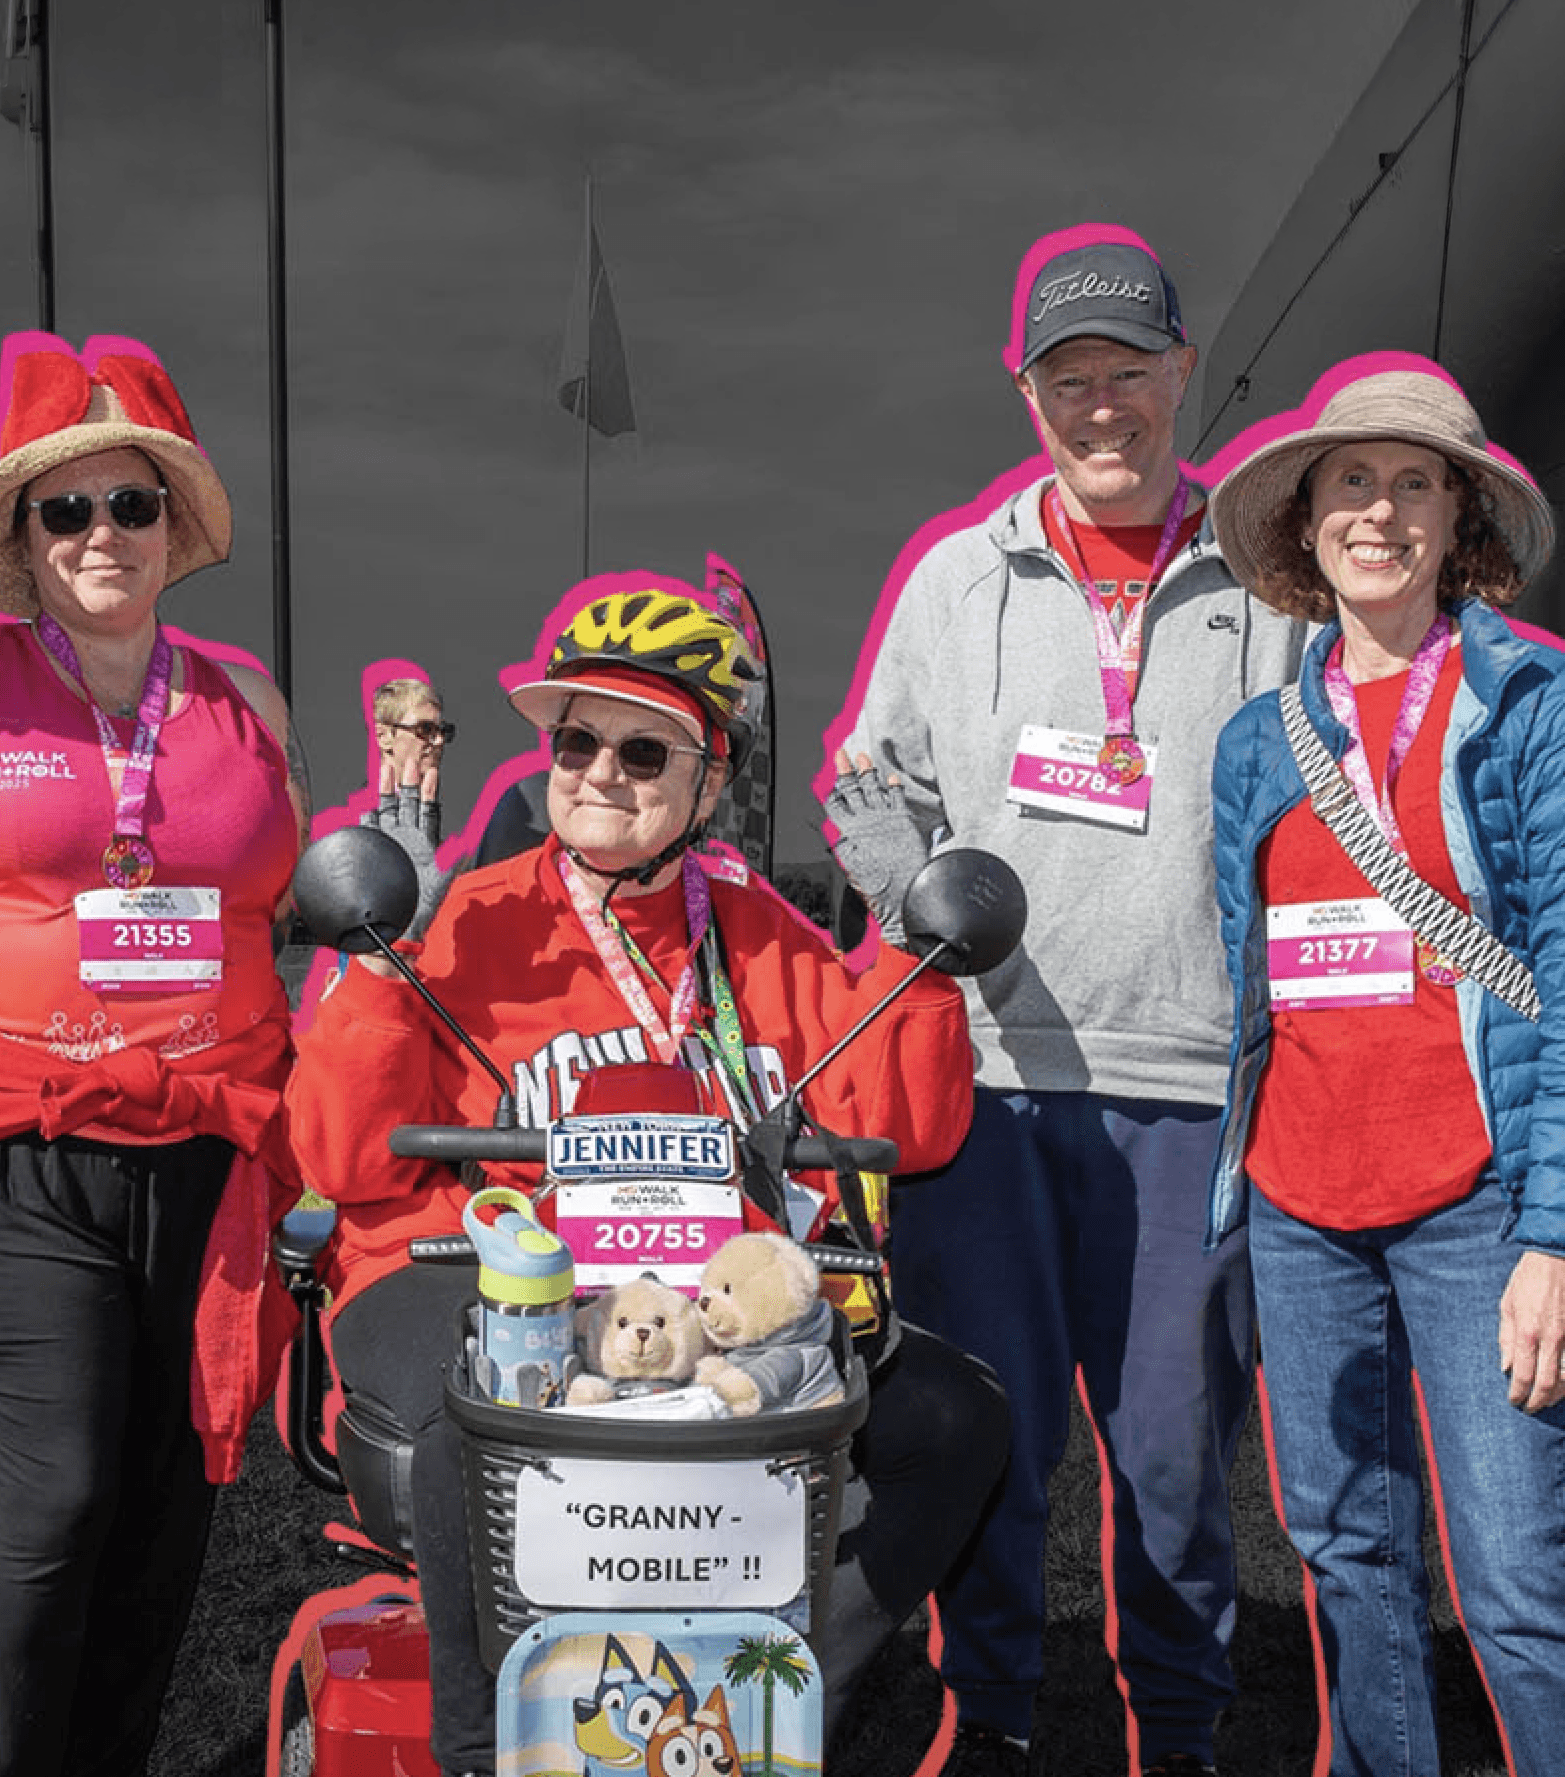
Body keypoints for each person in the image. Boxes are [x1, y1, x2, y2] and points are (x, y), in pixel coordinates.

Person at [288, 583, 1007, 1777]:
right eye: (576, 740)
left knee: (955, 1415)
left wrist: (901, 936)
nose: (601, 772)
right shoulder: (462, 923)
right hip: (469, 1268)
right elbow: (344, 1157)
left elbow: (906, 1127)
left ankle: (763, 1709)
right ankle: (484, 1751)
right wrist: (383, 958)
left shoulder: (758, 929)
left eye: (642, 747)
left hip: (702, 1294)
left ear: (708, 782)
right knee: (485, 1416)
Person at [822, 227, 1309, 1776]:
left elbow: (1334, 794)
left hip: (1191, 1090)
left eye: (1129, 373)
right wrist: (928, 907)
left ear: (1184, 372)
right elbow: (864, 785)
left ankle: (1180, 1727)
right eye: (1068, 379)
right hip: (990, 1084)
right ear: (1028, 392)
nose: (1103, 407)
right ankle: (1002, 1724)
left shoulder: (1268, 576)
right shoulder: (959, 578)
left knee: (1170, 1457)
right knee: (996, 1444)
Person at [0, 334, 306, 1777]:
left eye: (129, 504)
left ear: (172, 528)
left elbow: (273, 918)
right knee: (56, 1496)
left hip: (206, 1157)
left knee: (162, 1511)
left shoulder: (247, 705)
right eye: (64, 510)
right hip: (5, 1153)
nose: (101, 534)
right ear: (22, 538)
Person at [1205, 358, 1565, 1776]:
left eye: (1415, 482)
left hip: (1479, 1199)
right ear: (1305, 520)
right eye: (1351, 480)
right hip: (1302, 1201)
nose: (1381, 510)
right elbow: (1255, 985)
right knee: (1344, 1555)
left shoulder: (1532, 703)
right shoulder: (1255, 743)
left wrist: (1554, 1234)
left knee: (1519, 1584)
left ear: (1457, 515)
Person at [365, 670, 455, 931]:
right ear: (384, 737)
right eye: (424, 729)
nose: (438, 741)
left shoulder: (445, 812)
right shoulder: (360, 821)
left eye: (442, 731)